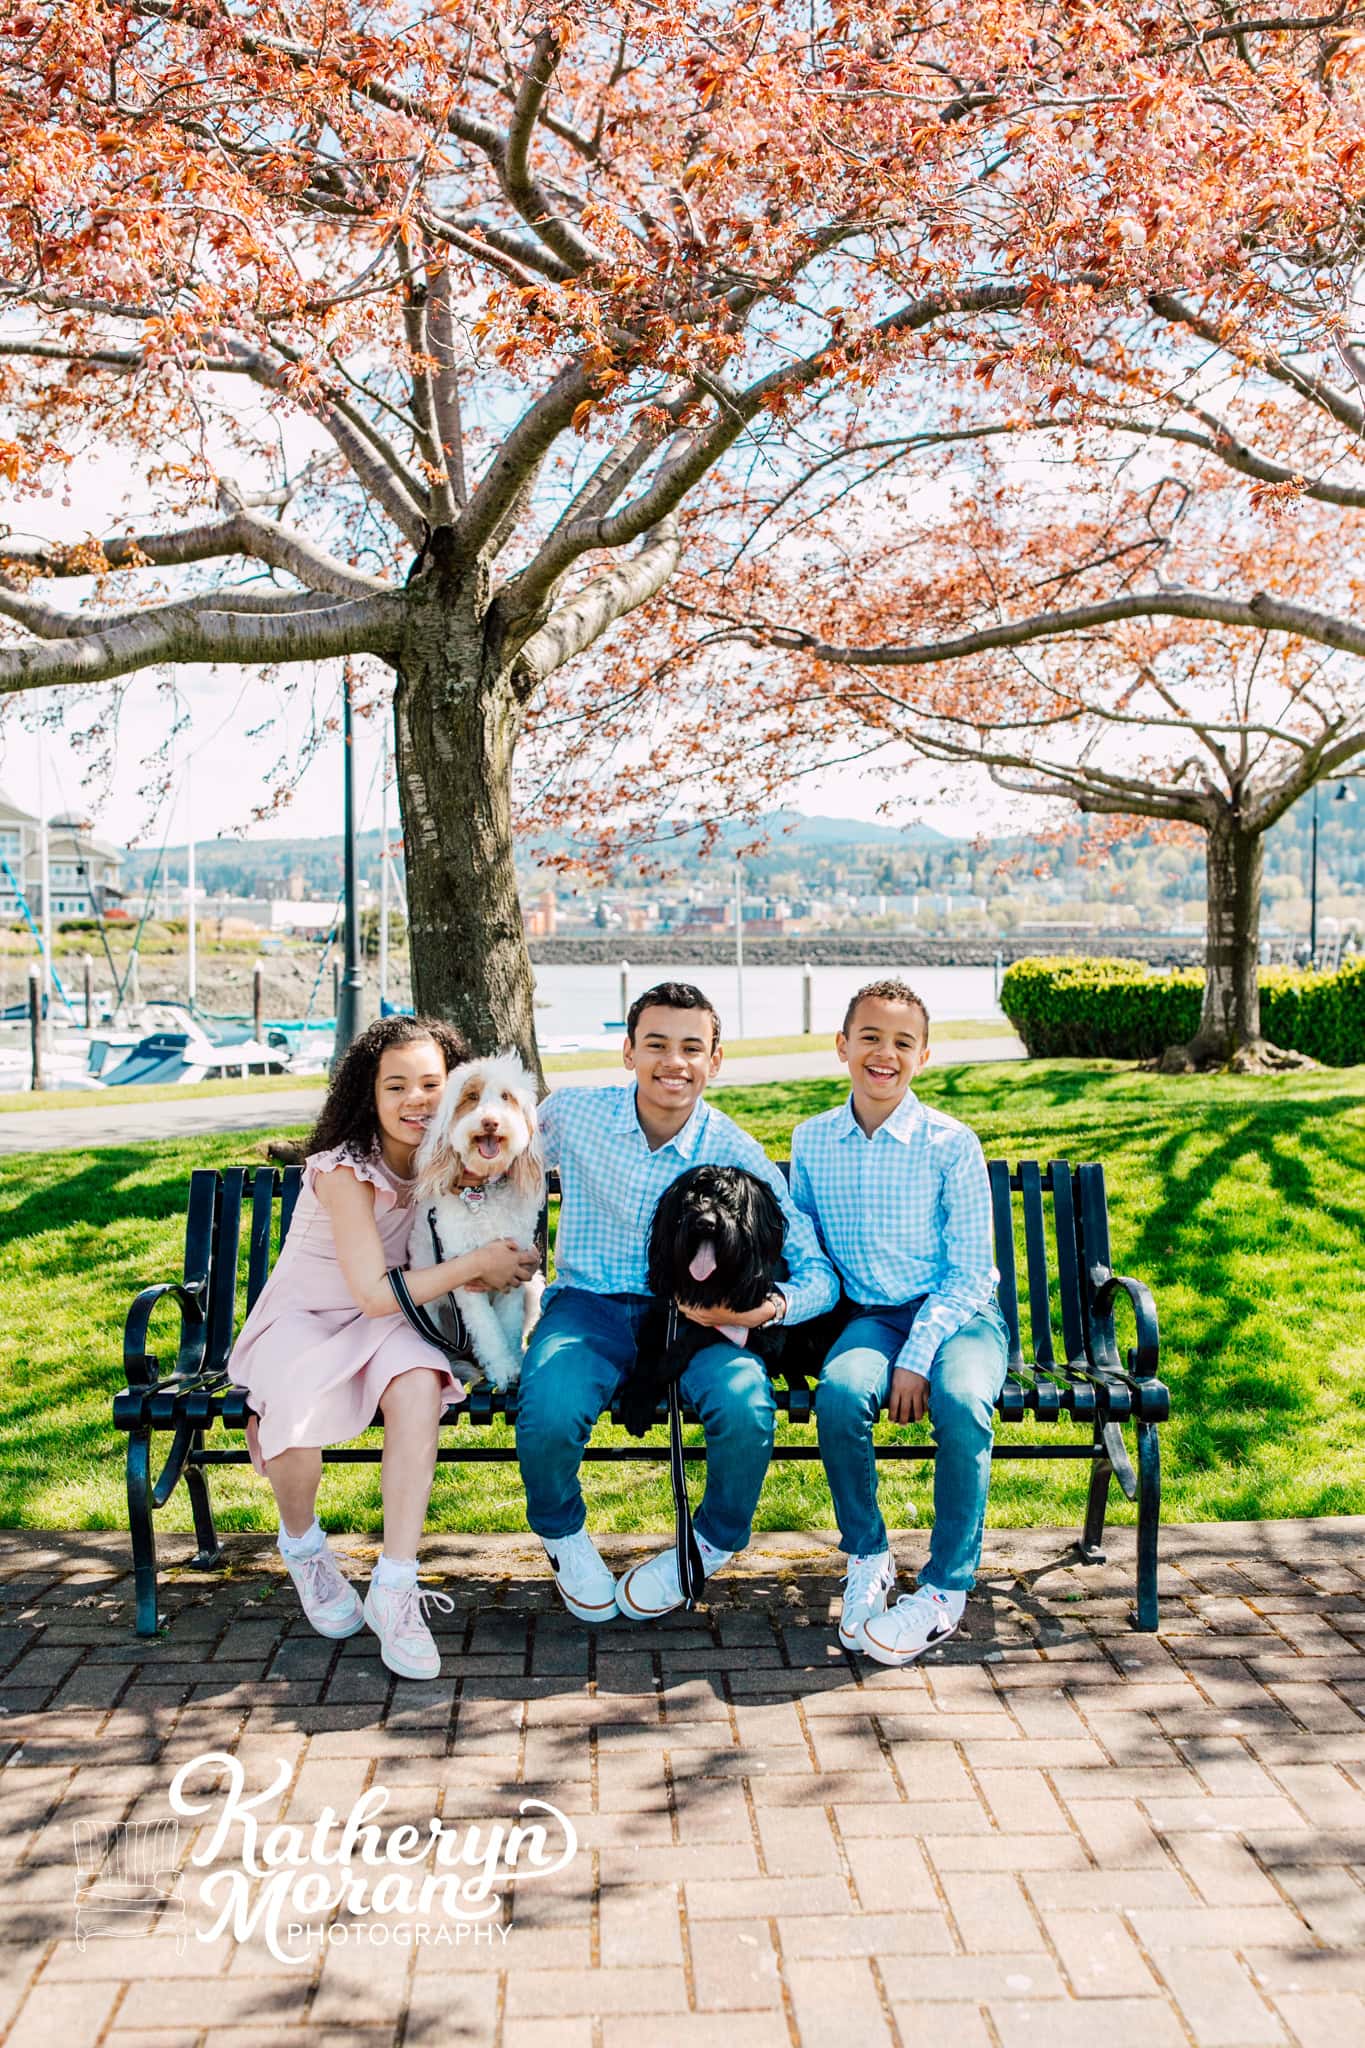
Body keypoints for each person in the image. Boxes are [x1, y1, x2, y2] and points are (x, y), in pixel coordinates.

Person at [516, 981, 839, 1623]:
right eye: (657, 1044)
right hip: (589, 1304)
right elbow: (488, 1162)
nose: (675, 1061)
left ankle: (713, 1540)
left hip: (698, 1318)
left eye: (693, 1047)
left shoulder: (737, 1151)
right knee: (550, 1407)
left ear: (714, 1061)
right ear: (628, 1051)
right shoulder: (571, 1114)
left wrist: (761, 1311)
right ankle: (561, 1534)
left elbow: (818, 1273)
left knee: (747, 1406)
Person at [230, 1014, 540, 1680]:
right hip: (308, 1318)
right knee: (293, 1419)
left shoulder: (457, 1161)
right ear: (368, 1098)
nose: (415, 1101)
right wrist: (477, 1263)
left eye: (431, 1084)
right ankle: (305, 1547)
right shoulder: (345, 1171)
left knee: (419, 1387)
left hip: (392, 1324)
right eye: (395, 1086)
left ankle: (395, 1587)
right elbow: (373, 1291)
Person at [790, 979, 1008, 1664]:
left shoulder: (949, 1142)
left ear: (923, 1057)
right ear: (841, 1046)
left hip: (960, 1315)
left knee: (962, 1401)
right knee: (840, 1393)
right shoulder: (811, 1140)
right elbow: (807, 1253)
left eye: (902, 1043)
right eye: (870, 1038)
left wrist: (918, 1355)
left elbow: (971, 1270)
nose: (884, 1054)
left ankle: (944, 1589)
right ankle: (867, 1557)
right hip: (871, 1318)